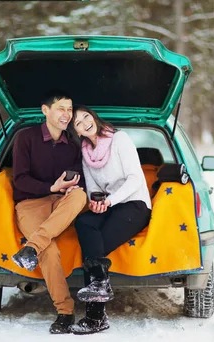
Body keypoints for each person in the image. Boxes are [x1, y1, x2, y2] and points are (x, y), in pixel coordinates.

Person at [67, 105, 152, 335]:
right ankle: (100, 284)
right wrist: (96, 203)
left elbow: (135, 179)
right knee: (84, 223)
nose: (84, 122)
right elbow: (94, 188)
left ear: (93, 117)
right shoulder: (85, 153)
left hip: (135, 204)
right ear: (77, 131)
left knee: (94, 246)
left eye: (86, 116)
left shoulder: (120, 140)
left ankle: (95, 317)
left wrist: (111, 201)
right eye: (77, 122)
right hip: (110, 205)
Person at [10, 90, 87, 334]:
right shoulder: (25, 138)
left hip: (62, 203)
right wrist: (50, 187)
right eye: (61, 108)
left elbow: (79, 176)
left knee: (80, 195)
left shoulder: (74, 143)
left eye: (69, 109)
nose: (67, 115)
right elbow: (19, 179)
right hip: (31, 204)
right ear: (45, 110)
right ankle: (65, 312)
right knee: (49, 250)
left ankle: (31, 247)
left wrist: (68, 186)